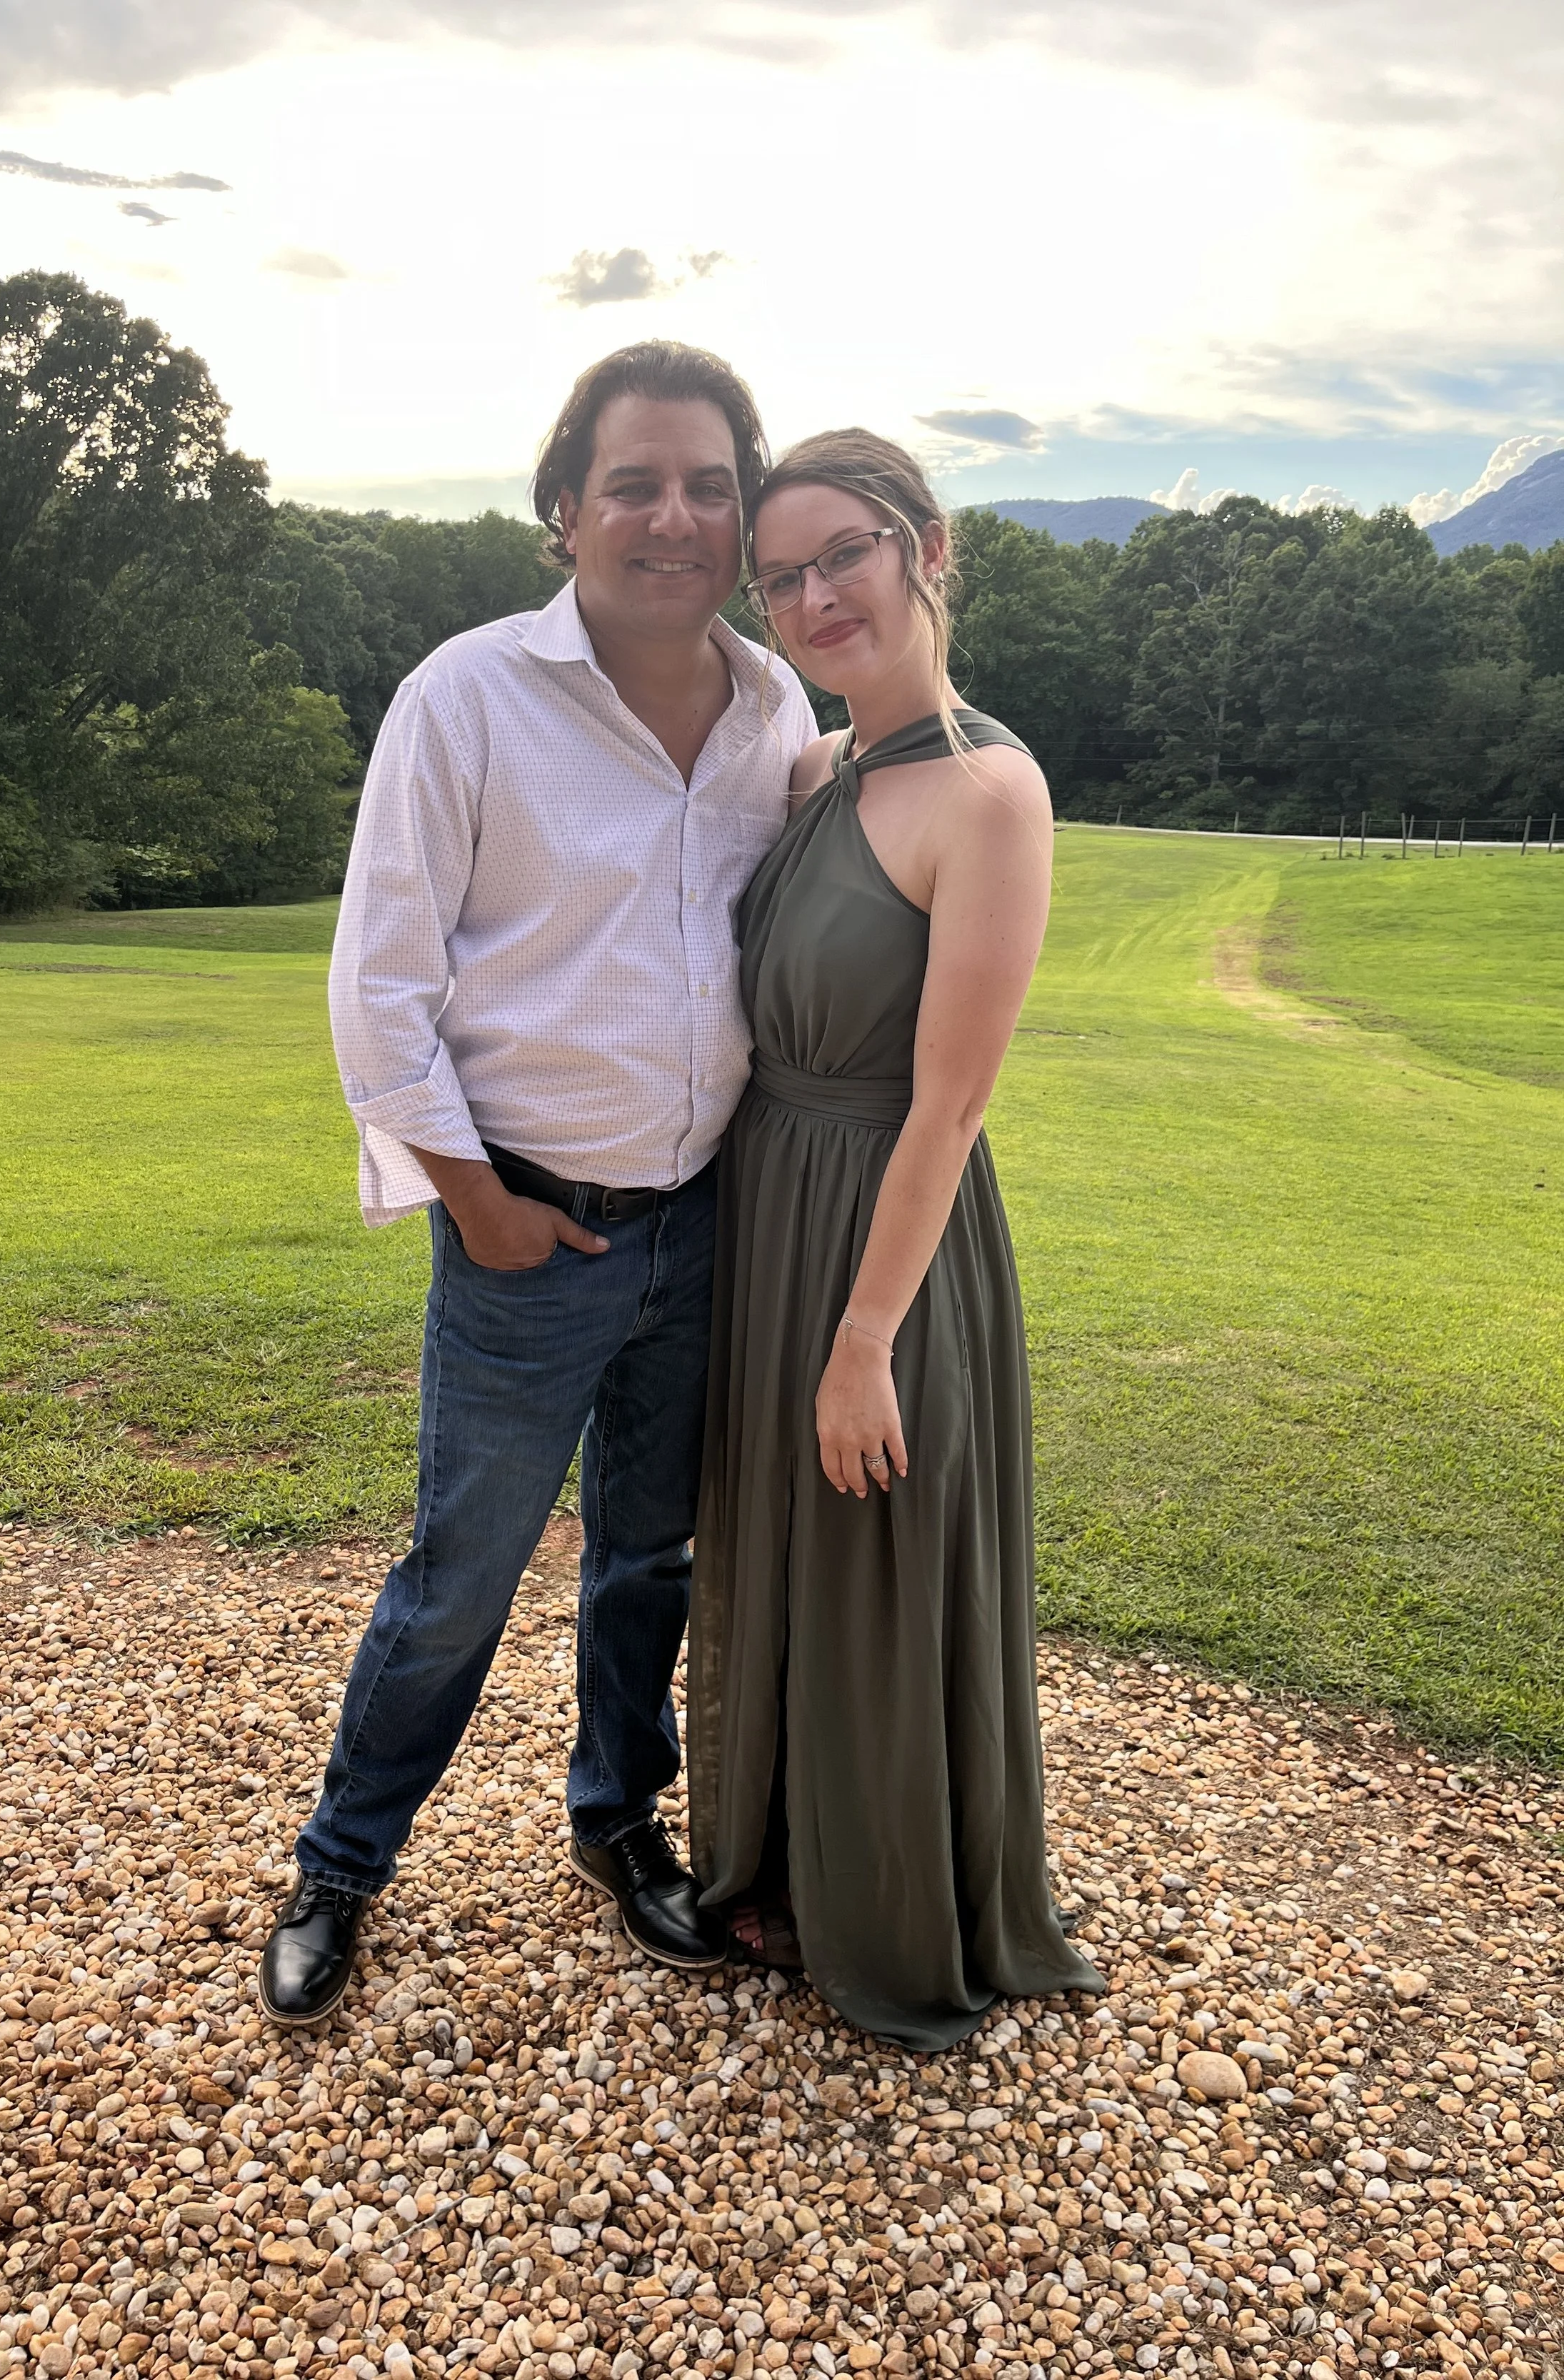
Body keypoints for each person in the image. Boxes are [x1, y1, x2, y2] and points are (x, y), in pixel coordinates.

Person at [256, 343, 817, 2027]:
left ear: (743, 515)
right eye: (633, 483)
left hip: (703, 1226)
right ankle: (342, 1863)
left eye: (709, 485)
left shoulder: (774, 713)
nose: (673, 517)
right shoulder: (467, 697)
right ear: (564, 507)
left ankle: (616, 1823)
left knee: (648, 1560)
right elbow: (379, 987)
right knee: (460, 1576)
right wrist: (476, 1205)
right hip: (525, 1231)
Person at [686, 430, 1105, 2049]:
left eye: (840, 555)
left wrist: (864, 1340)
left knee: (873, 1547)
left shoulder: (991, 792)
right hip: (767, 1208)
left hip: (887, 1233)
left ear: (923, 545)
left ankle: (891, 1900)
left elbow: (951, 1104)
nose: (811, 598)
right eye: (778, 577)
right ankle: (779, 1859)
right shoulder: (812, 770)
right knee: (780, 1537)